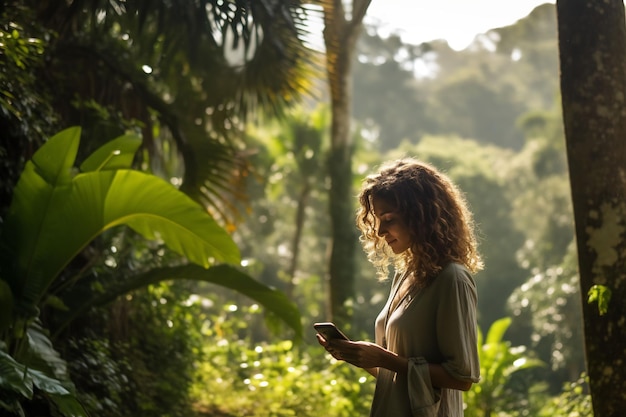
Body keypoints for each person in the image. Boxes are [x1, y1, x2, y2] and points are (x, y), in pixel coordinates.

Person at [317, 158, 482, 417]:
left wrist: (383, 358)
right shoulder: (406, 274)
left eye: (389, 218)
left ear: (421, 216)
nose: (381, 231)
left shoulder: (453, 279)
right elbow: (398, 376)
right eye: (378, 220)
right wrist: (358, 356)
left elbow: (461, 378)